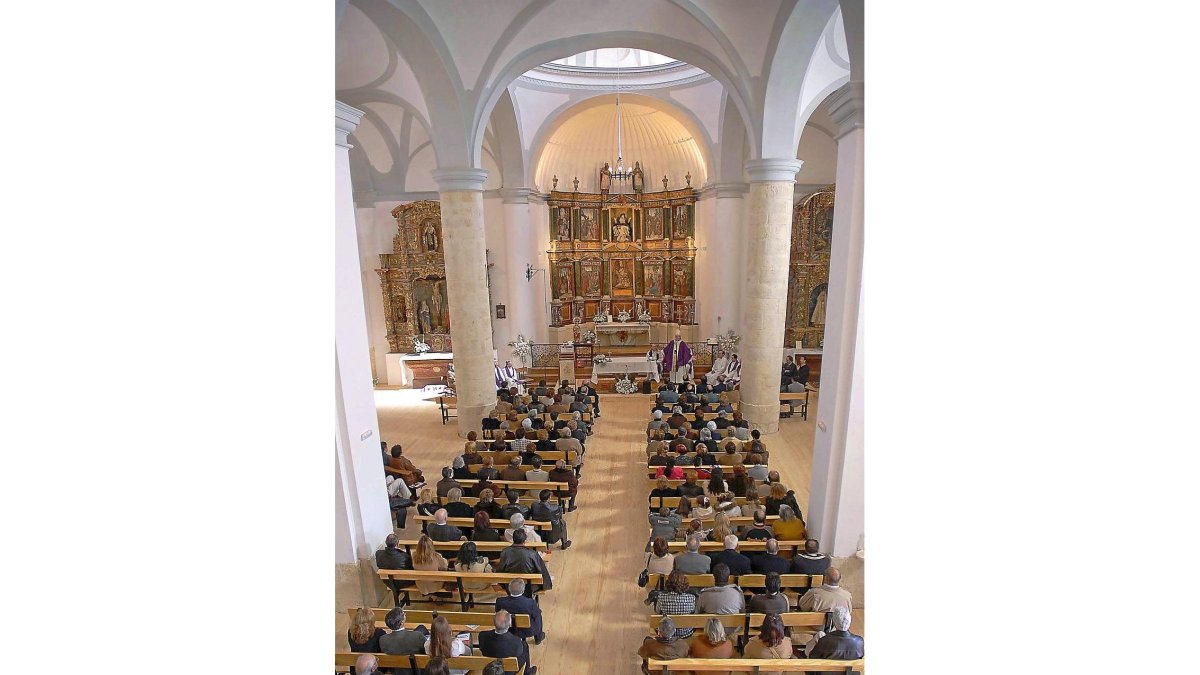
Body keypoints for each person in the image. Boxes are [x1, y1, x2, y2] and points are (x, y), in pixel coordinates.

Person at [478, 610, 534, 675]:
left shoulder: (482, 635)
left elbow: (482, 650)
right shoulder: (516, 641)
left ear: (494, 622)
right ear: (510, 624)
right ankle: (527, 672)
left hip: (490, 667)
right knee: (525, 646)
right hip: (510, 670)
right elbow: (519, 653)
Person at [495, 578, 546, 644]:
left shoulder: (500, 601)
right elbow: (536, 615)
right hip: (528, 630)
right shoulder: (530, 603)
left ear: (509, 589)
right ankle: (538, 637)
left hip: (509, 628)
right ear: (523, 590)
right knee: (538, 614)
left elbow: (498, 614)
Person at [650, 570, 696, 638]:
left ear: (668, 583)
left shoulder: (662, 597)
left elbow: (657, 611)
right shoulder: (691, 598)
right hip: (686, 633)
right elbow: (692, 612)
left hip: (665, 632)